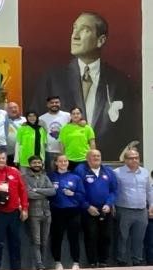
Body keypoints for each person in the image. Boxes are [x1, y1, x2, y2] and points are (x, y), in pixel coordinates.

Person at [31, 11, 136, 161]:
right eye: (74, 28)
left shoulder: (119, 82)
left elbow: (132, 130)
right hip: (64, 162)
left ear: (101, 40)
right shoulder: (53, 79)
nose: (75, 36)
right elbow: (35, 122)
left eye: (85, 30)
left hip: (106, 163)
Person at [0, 150, 29, 270]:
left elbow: (23, 191)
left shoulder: (15, 172)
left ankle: (16, 268)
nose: (1, 160)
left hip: (14, 212)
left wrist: (25, 208)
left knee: (15, 241)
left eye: (3, 158)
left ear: (6, 159)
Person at [75, 149, 117, 268]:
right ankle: (92, 262)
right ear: (87, 158)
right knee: (91, 236)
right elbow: (77, 191)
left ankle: (103, 261)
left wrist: (109, 204)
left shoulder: (108, 171)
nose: (96, 158)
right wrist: (87, 206)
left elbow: (114, 190)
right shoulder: (80, 170)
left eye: (98, 155)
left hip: (105, 209)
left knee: (106, 236)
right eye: (93, 156)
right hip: (88, 209)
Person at [113, 149, 153, 266]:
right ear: (125, 160)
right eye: (131, 158)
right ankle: (121, 260)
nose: (134, 160)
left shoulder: (144, 172)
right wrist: (112, 206)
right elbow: (113, 190)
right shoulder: (117, 172)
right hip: (124, 209)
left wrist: (151, 204)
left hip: (141, 210)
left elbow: (149, 190)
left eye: (136, 158)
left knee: (139, 238)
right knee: (122, 237)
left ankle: (137, 260)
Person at [48, 154, 85, 270]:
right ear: (56, 163)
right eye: (61, 161)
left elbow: (82, 195)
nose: (63, 163)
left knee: (73, 237)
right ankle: (57, 262)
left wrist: (73, 194)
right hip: (57, 210)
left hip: (73, 211)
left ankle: (76, 262)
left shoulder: (75, 177)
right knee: (57, 237)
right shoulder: (50, 176)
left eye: (65, 161)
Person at [22, 156, 56, 269]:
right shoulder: (24, 177)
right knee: (36, 241)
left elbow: (53, 191)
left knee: (45, 240)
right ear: (30, 164)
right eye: (34, 163)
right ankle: (38, 264)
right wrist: (44, 193)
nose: (37, 165)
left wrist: (37, 190)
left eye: (39, 162)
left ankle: (43, 262)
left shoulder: (45, 177)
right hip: (33, 213)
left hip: (46, 213)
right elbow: (28, 194)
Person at [39, 96, 71, 170]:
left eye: (56, 102)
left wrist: (83, 121)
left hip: (65, 151)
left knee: (64, 172)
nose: (54, 104)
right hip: (49, 151)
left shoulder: (68, 116)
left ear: (60, 103)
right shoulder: (41, 118)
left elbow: (77, 122)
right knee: (51, 173)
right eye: (52, 103)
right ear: (47, 104)